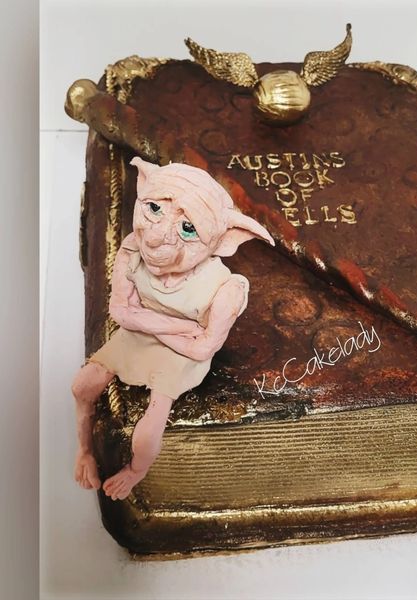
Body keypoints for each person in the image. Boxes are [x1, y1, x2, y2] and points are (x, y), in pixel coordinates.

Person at [71, 157, 274, 500]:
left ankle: (136, 471)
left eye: (188, 228)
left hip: (180, 355)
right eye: (153, 209)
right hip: (147, 336)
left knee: (151, 423)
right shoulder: (132, 250)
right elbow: (119, 311)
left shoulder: (226, 288)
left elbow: (203, 348)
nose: (156, 236)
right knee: (82, 386)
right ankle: (85, 451)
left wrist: (147, 321)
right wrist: (178, 326)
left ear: (225, 239)